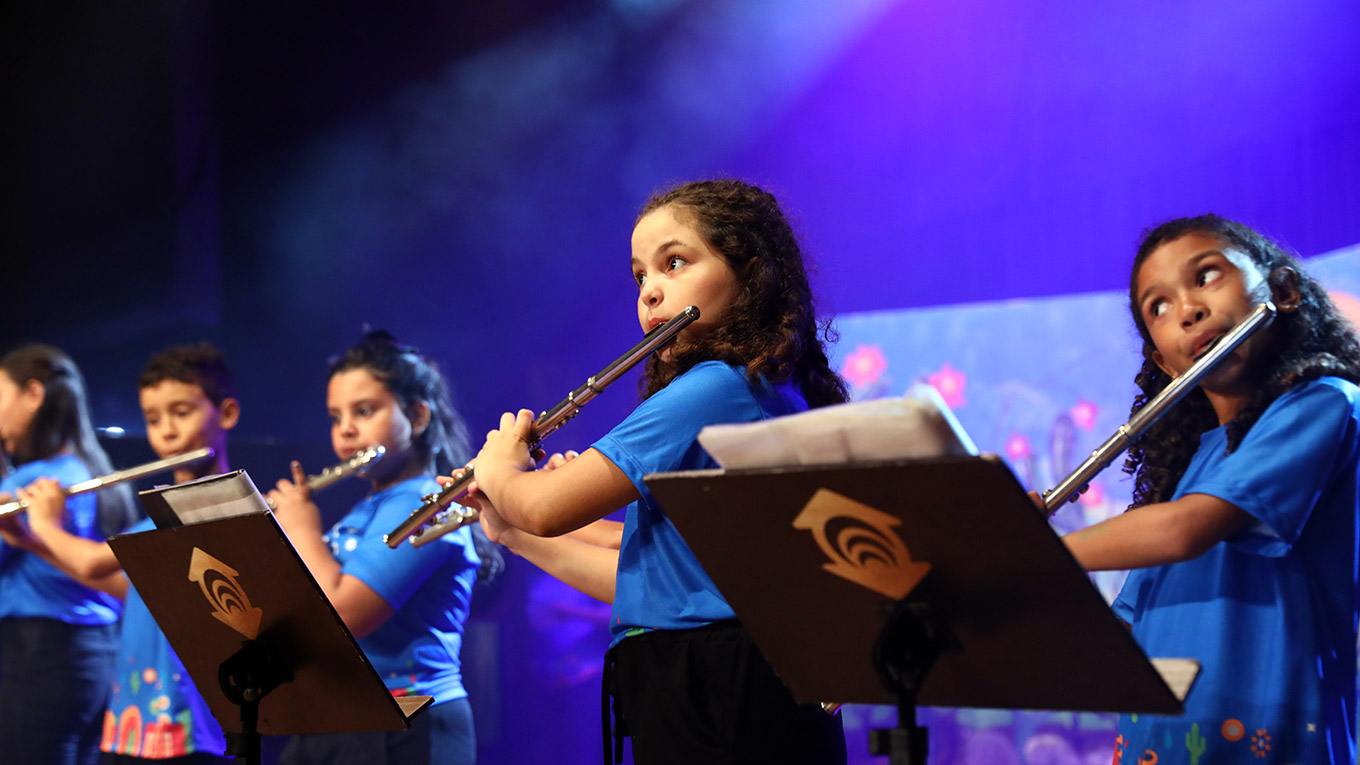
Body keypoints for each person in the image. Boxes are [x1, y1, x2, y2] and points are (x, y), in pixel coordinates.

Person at [457, 179, 850, 764]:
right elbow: (652, 579)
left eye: (674, 263)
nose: (650, 292)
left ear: (748, 268)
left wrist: (502, 467)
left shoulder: (715, 387)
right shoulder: (750, 388)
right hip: (703, 670)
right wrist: (509, 527)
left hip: (723, 680)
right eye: (641, 276)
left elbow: (543, 508)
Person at [1059, 215, 1360, 763]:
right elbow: (1134, 634)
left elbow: (1184, 531)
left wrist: (1030, 553)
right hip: (1167, 746)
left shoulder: (1323, 403)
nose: (1189, 310)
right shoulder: (1191, 467)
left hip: (1278, 740)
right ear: (1162, 361)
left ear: (1283, 291)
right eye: (1159, 307)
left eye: (1206, 277)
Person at [266, 331, 501, 765]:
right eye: (336, 417)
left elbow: (343, 614)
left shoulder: (424, 503)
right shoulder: (368, 509)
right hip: (345, 720)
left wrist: (300, 528)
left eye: (365, 411)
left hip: (410, 723)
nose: (346, 430)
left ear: (416, 417)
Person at [11, 343, 239, 764]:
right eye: (153, 419)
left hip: (187, 725)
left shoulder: (219, 505)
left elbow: (91, 562)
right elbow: (129, 588)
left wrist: (43, 524)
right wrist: (26, 541)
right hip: (136, 720)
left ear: (225, 414)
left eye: (181, 412)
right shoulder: (160, 513)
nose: (166, 432)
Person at [0, 344, 139, 765]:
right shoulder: (97, 474)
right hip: (99, 655)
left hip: (40, 656)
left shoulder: (34, 484)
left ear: (33, 395)